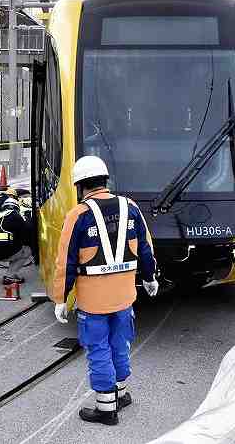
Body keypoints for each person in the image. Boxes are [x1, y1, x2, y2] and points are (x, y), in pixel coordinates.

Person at [51, 156, 158, 425]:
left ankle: (106, 409)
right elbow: (145, 247)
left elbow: (66, 262)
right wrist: (149, 277)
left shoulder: (78, 215)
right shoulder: (130, 207)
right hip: (124, 297)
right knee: (120, 344)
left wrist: (61, 298)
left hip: (93, 301)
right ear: (105, 180)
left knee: (98, 349)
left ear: (80, 186)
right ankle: (121, 394)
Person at [0, 197, 34, 286]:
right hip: (6, 250)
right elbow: (25, 233)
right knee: (28, 250)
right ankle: (10, 276)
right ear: (16, 208)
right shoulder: (15, 215)